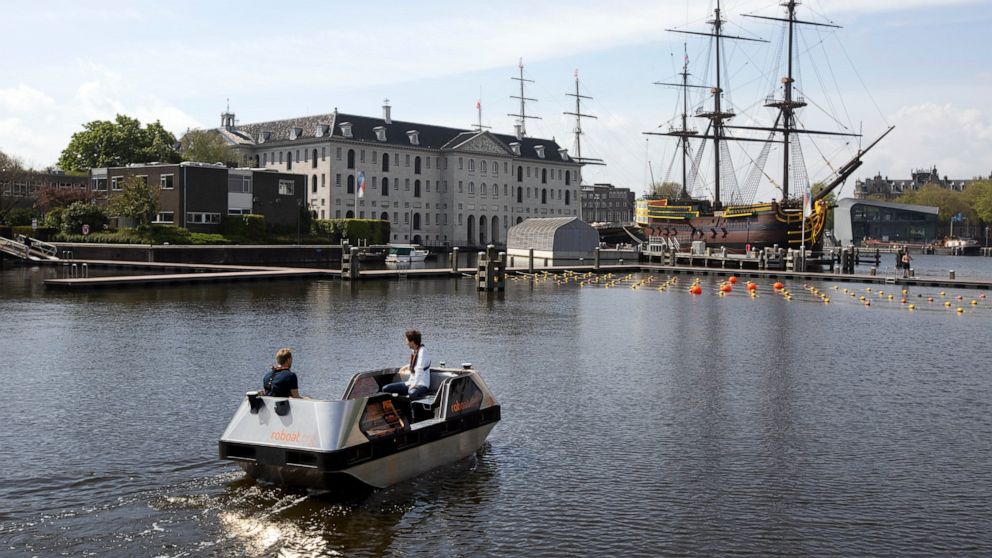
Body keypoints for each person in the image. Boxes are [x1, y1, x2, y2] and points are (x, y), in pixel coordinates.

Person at [382, 330, 431, 400]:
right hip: (410, 382)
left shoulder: (423, 351)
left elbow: (419, 370)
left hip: (421, 384)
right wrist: (405, 367)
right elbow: (415, 363)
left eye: (407, 340)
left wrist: (414, 385)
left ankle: (419, 407)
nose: (406, 343)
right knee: (385, 389)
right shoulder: (414, 351)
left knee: (412, 393)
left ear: (412, 342)